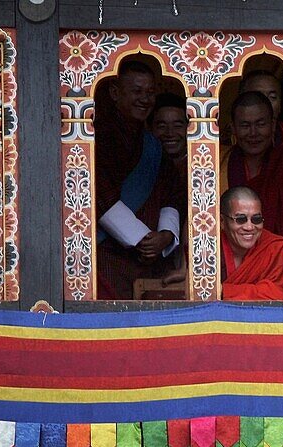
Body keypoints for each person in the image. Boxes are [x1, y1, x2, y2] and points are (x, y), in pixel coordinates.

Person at [94, 60, 182, 299]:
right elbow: (97, 193)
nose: (145, 99)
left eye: (150, 92)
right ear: (115, 92)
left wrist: (165, 235)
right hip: (109, 254)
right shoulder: (97, 138)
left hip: (152, 256)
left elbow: (172, 193)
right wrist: (142, 239)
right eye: (137, 91)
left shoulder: (152, 145)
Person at [220, 90, 283, 261]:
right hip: (233, 264)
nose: (253, 133)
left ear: (273, 124)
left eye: (260, 124)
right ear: (233, 127)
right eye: (245, 125)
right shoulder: (218, 164)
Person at [220, 187, 283, 300]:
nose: (249, 227)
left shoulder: (278, 249)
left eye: (256, 219)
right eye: (240, 219)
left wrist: (225, 291)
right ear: (222, 222)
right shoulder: (208, 249)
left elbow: (282, 295)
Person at [238, 70, 283, 150]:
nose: (266, 103)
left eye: (272, 97)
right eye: (258, 96)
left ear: (280, 104)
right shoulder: (228, 142)